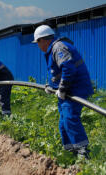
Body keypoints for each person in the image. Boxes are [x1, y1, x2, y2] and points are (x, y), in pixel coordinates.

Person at [33, 25, 94, 159]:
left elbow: (68, 68)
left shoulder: (58, 47)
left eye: (37, 42)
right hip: (68, 90)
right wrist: (53, 87)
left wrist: (62, 88)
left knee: (69, 118)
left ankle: (83, 153)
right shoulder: (53, 49)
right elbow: (59, 73)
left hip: (76, 89)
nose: (38, 46)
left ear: (43, 40)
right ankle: (71, 153)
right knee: (63, 122)